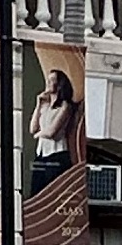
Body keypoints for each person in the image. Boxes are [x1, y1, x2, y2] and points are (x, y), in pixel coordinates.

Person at [27, 69, 79, 198]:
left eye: (51, 80)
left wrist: (38, 135)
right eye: (48, 80)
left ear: (59, 84)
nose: (48, 82)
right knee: (36, 193)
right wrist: (38, 104)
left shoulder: (65, 106)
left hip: (57, 154)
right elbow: (33, 128)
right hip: (41, 154)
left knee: (53, 194)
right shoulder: (45, 106)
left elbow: (51, 132)